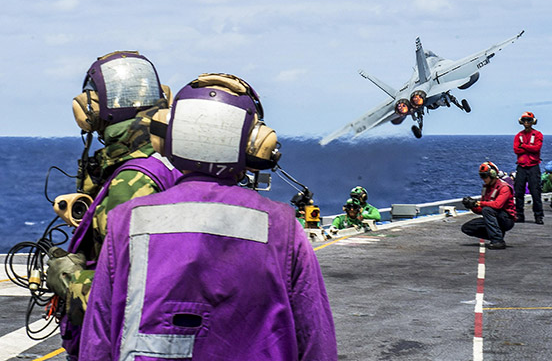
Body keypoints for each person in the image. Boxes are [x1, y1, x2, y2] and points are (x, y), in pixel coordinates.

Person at [79, 73, 337, 360]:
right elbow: (315, 340)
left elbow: (98, 341)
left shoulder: (126, 221)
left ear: (166, 136)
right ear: (255, 146)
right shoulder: (282, 226)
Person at [45, 51, 182, 360]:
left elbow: (128, 292)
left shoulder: (131, 181)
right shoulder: (171, 160)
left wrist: (68, 279)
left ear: (91, 111)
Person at [461, 162, 516, 250]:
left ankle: (498, 241)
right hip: (493, 217)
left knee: (487, 210)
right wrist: (472, 206)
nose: (483, 179)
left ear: (492, 175)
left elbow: (497, 205)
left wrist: (479, 203)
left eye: (484, 176)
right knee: (467, 228)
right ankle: (497, 234)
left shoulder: (504, 187)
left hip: (506, 219)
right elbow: (481, 210)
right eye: (481, 176)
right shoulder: (486, 188)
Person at [513, 111, 544, 224]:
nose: (526, 122)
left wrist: (524, 146)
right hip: (521, 167)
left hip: (533, 167)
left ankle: (538, 216)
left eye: (529, 120)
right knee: (518, 192)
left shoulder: (538, 134)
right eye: (525, 120)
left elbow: (537, 148)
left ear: (533, 122)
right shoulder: (518, 136)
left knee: (536, 192)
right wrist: (529, 147)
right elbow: (516, 150)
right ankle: (519, 215)